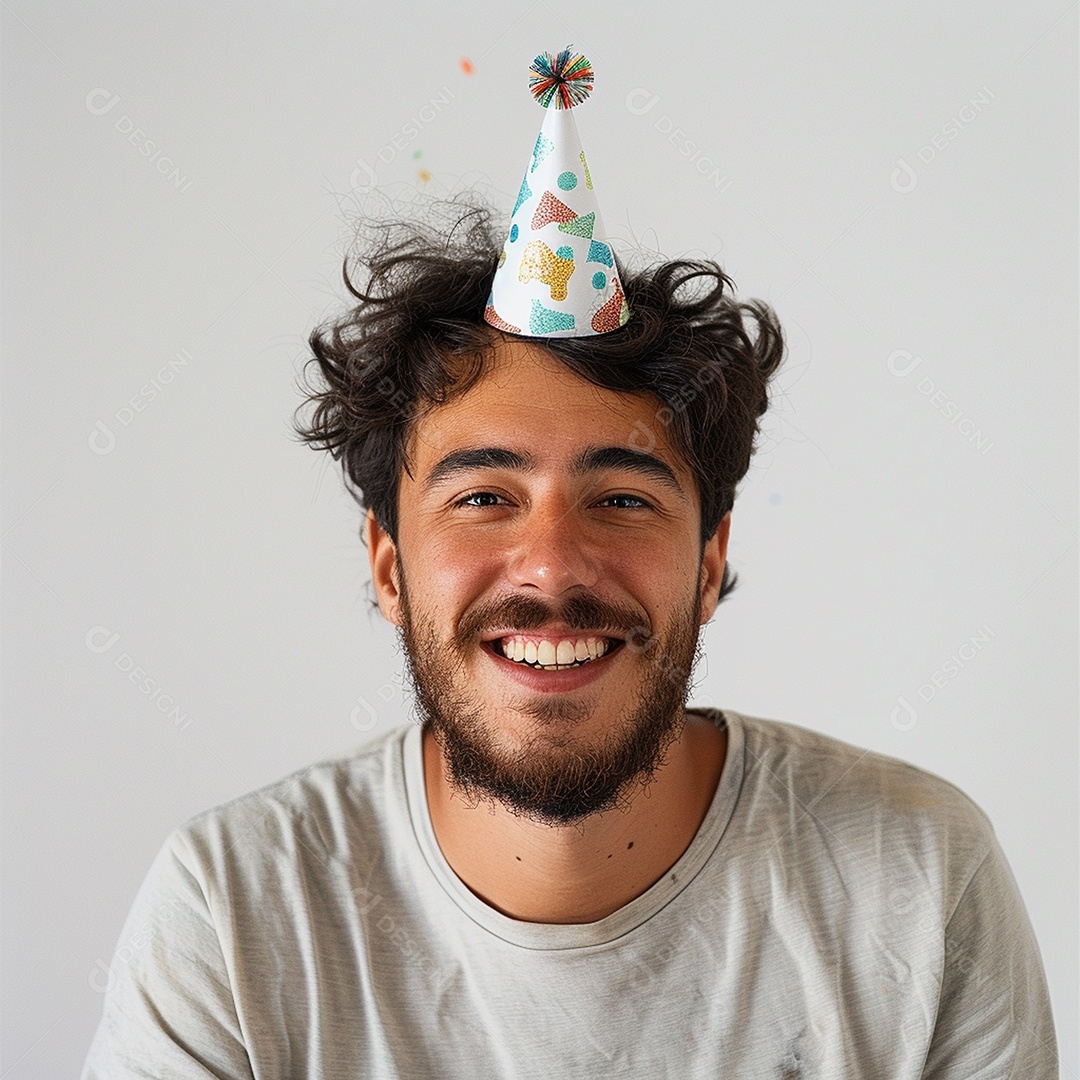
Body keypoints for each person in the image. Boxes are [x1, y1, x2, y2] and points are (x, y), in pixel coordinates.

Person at [83, 49, 1057, 1078]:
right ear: (387, 565)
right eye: (482, 498)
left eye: (623, 498)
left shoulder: (920, 875)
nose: (550, 569)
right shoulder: (234, 912)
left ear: (711, 559)